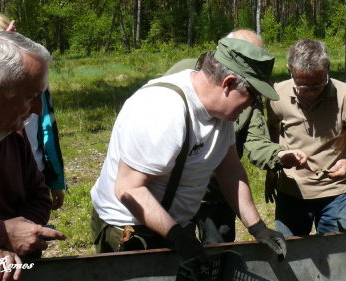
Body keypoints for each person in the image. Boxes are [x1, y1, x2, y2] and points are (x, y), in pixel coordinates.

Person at [91, 38, 287, 262]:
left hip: (171, 227)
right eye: (253, 97)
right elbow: (129, 189)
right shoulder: (164, 110)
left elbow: (230, 170)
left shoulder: (220, 113)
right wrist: (176, 235)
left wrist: (258, 228)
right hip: (130, 230)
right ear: (228, 84)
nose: (253, 106)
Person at [164, 29, 311, 244]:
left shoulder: (249, 94)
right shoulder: (183, 76)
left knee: (217, 257)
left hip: (217, 194)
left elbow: (252, 146)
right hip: (173, 194)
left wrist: (281, 155)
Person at [0, 31, 66, 281]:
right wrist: (1, 236)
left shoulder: (10, 130)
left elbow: (39, 194)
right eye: (30, 96)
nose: (39, 109)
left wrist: (10, 244)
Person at [266, 39, 346, 237]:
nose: (311, 92)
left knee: (334, 256)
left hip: (334, 194)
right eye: (303, 85)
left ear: (328, 69)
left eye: (318, 84)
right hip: (291, 191)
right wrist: (272, 171)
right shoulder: (276, 95)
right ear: (290, 72)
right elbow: (272, 126)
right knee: (290, 256)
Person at [0, 12, 68, 210]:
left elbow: (48, 132)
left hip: (31, 171)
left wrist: (54, 181)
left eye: (13, 40)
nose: (38, 108)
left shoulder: (29, 95)